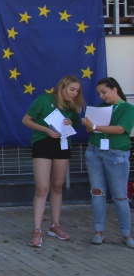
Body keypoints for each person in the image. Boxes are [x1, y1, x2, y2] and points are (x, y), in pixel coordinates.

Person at [21, 75, 83, 248]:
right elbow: (26, 120)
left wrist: (71, 122)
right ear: (62, 87)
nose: (74, 93)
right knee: (42, 188)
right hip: (43, 144)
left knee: (57, 185)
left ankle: (55, 225)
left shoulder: (72, 106)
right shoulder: (44, 99)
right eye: (72, 89)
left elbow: (75, 126)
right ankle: (36, 229)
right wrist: (46, 130)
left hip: (62, 145)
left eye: (77, 91)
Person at [80, 77, 134, 249]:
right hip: (95, 151)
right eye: (99, 93)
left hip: (116, 154)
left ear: (114, 89)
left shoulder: (127, 108)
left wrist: (94, 126)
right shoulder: (101, 108)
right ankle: (98, 232)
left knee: (120, 196)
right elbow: (91, 129)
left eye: (104, 92)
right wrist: (89, 125)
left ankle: (126, 234)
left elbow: (120, 129)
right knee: (97, 192)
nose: (102, 96)